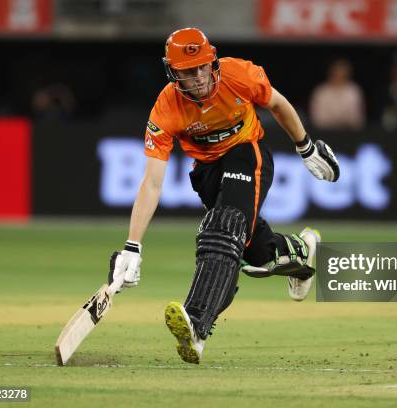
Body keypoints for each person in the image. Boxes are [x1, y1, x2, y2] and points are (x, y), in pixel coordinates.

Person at [107, 28, 340, 364]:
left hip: (250, 153)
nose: (199, 77)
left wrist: (306, 147)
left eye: (202, 66)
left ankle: (197, 324)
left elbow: (276, 103)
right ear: (173, 73)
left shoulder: (238, 74)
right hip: (207, 173)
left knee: (222, 229)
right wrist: (132, 245)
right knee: (254, 251)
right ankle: (297, 251)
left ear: (212, 61)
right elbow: (152, 183)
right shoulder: (167, 107)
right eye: (188, 71)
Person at [309, 58, 366, 130]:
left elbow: (358, 118)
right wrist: (334, 122)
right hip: (324, 133)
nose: (339, 76)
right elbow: (317, 118)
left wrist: (343, 122)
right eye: (336, 73)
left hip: (349, 132)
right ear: (331, 73)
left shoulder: (354, 91)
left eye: (342, 74)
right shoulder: (321, 92)